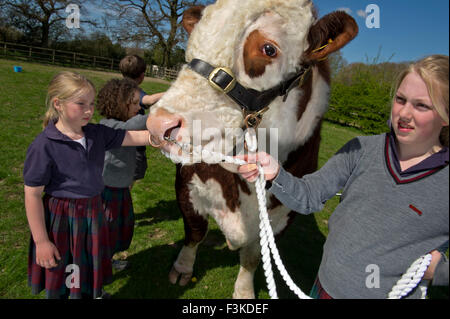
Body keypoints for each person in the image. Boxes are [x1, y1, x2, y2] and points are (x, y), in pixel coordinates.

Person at [237, 55, 449, 299]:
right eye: (400, 99)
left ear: (445, 116)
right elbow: (310, 195)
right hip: (324, 289)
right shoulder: (360, 150)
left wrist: (440, 272)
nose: (404, 113)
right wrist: (276, 174)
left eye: (421, 105)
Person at [23, 72, 152, 299]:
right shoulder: (43, 145)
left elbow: (134, 137)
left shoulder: (96, 133)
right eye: (81, 104)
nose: (89, 110)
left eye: (91, 104)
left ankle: (93, 293)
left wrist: (164, 137)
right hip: (63, 218)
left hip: (93, 212)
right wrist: (41, 241)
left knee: (89, 264)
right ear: (58, 104)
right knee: (66, 270)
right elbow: (32, 195)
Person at [96, 78, 149, 271]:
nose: (138, 108)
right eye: (134, 103)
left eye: (138, 103)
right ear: (119, 104)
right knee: (105, 233)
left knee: (117, 231)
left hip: (120, 189)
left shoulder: (122, 124)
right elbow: (138, 124)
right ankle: (96, 280)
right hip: (106, 192)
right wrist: (161, 113)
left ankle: (107, 260)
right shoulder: (109, 127)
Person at [119, 55, 165, 184]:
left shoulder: (116, 88)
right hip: (133, 143)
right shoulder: (134, 91)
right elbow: (148, 100)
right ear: (142, 75)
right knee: (127, 182)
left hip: (115, 137)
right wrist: (173, 93)